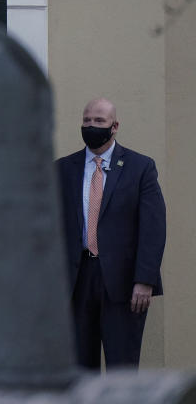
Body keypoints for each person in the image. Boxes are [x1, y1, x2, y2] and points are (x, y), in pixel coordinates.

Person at [57, 97, 166, 369]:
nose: (91, 126)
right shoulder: (62, 169)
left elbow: (153, 227)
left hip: (124, 284)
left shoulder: (141, 167)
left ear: (115, 126)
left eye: (99, 121)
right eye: (86, 120)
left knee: (123, 369)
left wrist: (145, 280)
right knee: (80, 371)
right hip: (76, 281)